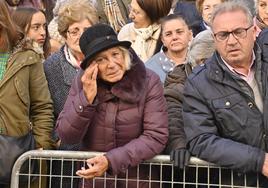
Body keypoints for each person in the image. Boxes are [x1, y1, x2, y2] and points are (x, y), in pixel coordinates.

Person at [55, 23, 168, 187]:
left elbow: (156, 136)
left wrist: (110, 161)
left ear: (124, 54)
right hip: (96, 183)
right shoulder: (83, 83)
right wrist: (86, 99)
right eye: (101, 59)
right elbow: (67, 136)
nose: (112, 64)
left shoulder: (148, 81)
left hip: (139, 181)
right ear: (91, 66)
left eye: (115, 54)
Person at [182, 1, 268, 186]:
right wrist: (259, 160)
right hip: (241, 181)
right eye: (223, 35)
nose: (231, 41)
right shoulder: (198, 83)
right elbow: (201, 139)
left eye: (238, 32)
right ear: (214, 38)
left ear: (254, 32)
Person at [43, 1, 98, 187]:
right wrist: (55, 139)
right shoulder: (51, 66)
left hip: (102, 151)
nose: (81, 36)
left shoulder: (106, 60)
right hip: (67, 156)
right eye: (74, 31)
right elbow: (44, 108)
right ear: (65, 34)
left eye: (87, 30)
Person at [0, 0, 54, 187]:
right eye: (37, 26)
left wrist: (39, 149)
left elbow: (42, 107)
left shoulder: (26, 55)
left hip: (16, 154)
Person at [146, 14, 193, 83]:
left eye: (179, 32)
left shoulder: (202, 60)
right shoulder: (149, 69)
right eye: (168, 34)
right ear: (162, 40)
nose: (174, 37)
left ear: (190, 35)